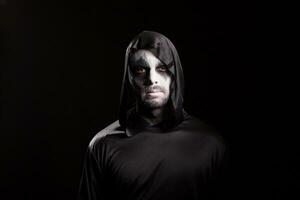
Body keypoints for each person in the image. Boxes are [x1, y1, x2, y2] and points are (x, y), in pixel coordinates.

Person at [78, 31, 228, 200]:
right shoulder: (102, 146)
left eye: (162, 68)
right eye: (141, 70)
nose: (152, 79)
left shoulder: (210, 142)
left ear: (174, 74)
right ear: (130, 78)